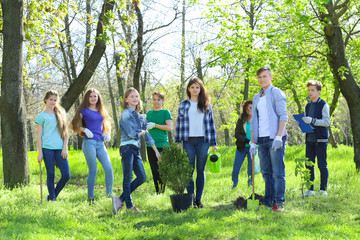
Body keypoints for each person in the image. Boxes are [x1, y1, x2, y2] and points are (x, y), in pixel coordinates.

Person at [112, 87, 161, 214]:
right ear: (126, 100)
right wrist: (142, 131)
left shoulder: (139, 116)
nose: (135, 98)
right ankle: (129, 206)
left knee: (142, 177)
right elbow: (130, 133)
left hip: (135, 148)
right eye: (132, 96)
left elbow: (147, 136)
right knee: (128, 177)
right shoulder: (125, 114)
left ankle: (120, 199)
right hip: (127, 148)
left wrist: (156, 151)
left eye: (136, 96)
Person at [175, 77, 218, 208]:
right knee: (189, 170)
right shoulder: (183, 104)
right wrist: (177, 141)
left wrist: (213, 143)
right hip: (187, 141)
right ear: (188, 89)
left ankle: (198, 200)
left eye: (197, 87)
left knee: (200, 170)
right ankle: (191, 198)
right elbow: (179, 123)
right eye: (192, 87)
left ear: (201, 89)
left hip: (203, 141)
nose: (195, 89)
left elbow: (211, 124)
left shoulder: (206, 104)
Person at [250, 66, 288, 212]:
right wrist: (253, 142)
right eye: (259, 77)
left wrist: (279, 136)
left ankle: (279, 202)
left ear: (271, 77)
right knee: (266, 172)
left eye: (265, 76)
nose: (262, 79)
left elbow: (283, 116)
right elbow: (254, 121)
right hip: (262, 139)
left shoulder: (276, 93)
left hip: (275, 138)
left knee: (278, 172)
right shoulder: (256, 97)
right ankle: (268, 200)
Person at [70, 88, 113, 204]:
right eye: (91, 96)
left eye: (95, 96)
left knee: (109, 169)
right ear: (87, 98)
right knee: (93, 170)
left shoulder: (101, 110)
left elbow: (106, 123)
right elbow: (72, 125)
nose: (93, 98)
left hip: (101, 143)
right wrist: (84, 129)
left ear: (98, 98)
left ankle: (109, 196)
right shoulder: (83, 110)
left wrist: (108, 132)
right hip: (89, 143)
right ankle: (90, 198)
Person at [36, 90, 70, 201]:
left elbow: (65, 133)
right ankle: (53, 200)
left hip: (60, 148)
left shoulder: (61, 113)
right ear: (45, 100)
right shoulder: (41, 116)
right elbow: (39, 135)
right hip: (47, 149)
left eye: (55, 100)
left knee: (66, 175)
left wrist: (65, 148)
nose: (53, 102)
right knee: (51, 174)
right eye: (51, 99)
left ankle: (52, 195)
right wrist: (40, 153)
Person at [302, 80, 330, 197]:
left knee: (322, 165)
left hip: (321, 140)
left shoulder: (324, 105)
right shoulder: (308, 105)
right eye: (309, 90)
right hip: (309, 139)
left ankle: (323, 190)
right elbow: (307, 122)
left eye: (312, 90)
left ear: (318, 91)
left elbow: (326, 122)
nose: (310, 92)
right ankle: (310, 190)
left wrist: (312, 121)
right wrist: (302, 123)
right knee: (309, 164)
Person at [146, 91, 172, 194]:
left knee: (162, 170)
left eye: (158, 100)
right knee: (154, 170)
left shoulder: (165, 112)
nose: (156, 102)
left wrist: (155, 125)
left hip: (163, 145)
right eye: (154, 99)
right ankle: (158, 192)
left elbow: (169, 128)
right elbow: (145, 129)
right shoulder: (149, 114)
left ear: (162, 101)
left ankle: (163, 191)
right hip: (151, 146)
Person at [232, 100, 253, 188]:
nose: (249, 109)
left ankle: (250, 186)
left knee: (250, 170)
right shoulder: (241, 119)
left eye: (251, 108)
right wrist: (248, 141)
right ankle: (234, 185)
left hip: (253, 148)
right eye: (247, 108)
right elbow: (237, 134)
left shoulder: (258, 119)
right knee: (236, 169)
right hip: (242, 147)